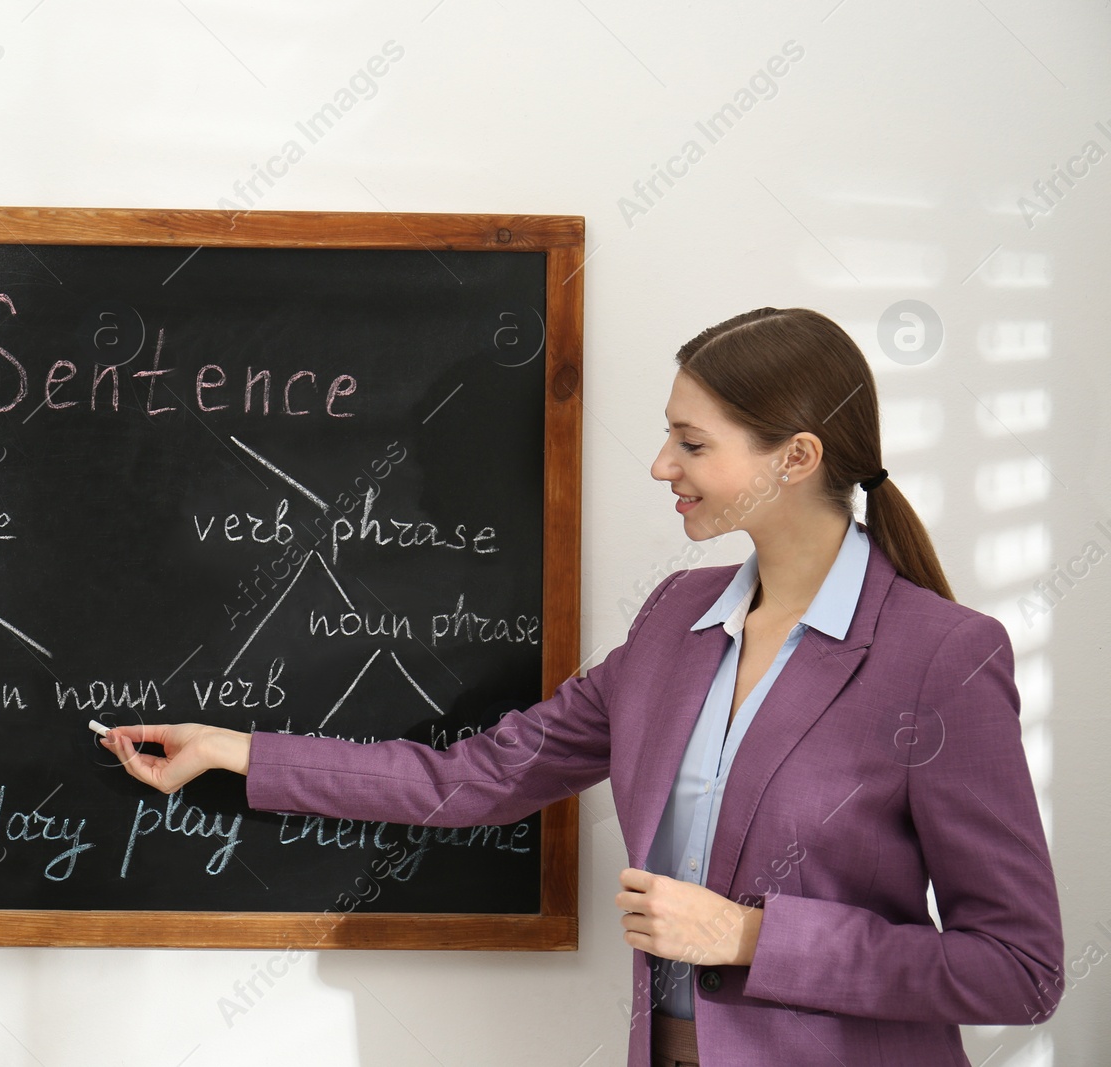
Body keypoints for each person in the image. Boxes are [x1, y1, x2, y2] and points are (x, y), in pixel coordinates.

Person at [100, 307, 1064, 1066]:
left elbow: (1019, 971)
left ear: (796, 457)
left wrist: (751, 937)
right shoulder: (675, 626)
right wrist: (236, 751)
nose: (661, 466)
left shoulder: (943, 657)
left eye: (692, 443)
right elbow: (471, 777)